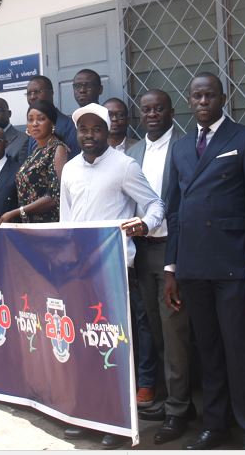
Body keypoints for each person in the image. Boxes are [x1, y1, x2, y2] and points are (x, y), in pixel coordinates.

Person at [164, 72, 245, 450]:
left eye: (210, 95)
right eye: (196, 96)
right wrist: (170, 269)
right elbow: (173, 212)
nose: (203, 102)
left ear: (223, 98)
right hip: (193, 266)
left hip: (232, 266)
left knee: (239, 351)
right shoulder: (179, 148)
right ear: (189, 101)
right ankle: (215, 425)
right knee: (207, 350)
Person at [59, 102, 165, 449]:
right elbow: (66, 223)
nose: (89, 135)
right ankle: (90, 415)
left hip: (115, 270)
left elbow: (155, 206)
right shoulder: (71, 169)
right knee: (86, 348)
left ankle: (118, 422)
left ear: (107, 131)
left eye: (96, 129)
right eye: (83, 129)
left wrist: (143, 224)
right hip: (80, 273)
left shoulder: (124, 166)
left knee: (115, 350)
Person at [126, 90, 193, 444]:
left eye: (159, 108)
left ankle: (178, 410)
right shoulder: (133, 152)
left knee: (175, 332)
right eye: (146, 109)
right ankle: (170, 400)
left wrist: (175, 261)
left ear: (171, 111)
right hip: (141, 251)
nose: (152, 114)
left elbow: (182, 206)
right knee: (153, 327)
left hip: (171, 250)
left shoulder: (183, 147)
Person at [0, 100, 68, 224]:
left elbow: (55, 196)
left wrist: (17, 212)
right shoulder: (35, 150)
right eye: (30, 120)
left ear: (52, 123)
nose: (34, 124)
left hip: (48, 225)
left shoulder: (57, 149)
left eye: (41, 119)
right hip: (29, 224)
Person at [25, 75, 78, 159]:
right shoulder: (33, 126)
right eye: (29, 93)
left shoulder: (70, 126)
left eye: (37, 92)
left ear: (51, 93)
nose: (32, 97)